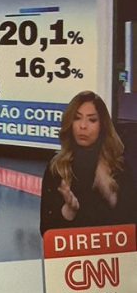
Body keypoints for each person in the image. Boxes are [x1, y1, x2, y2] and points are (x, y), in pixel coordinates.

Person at [40, 91, 136, 235]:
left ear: (102, 126)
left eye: (92, 120)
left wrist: (112, 198)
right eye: (77, 118)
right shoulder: (57, 168)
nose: (83, 126)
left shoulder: (118, 167)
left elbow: (131, 227)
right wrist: (68, 211)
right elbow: (46, 230)